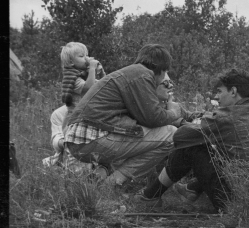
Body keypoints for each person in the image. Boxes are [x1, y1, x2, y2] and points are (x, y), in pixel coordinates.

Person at [135, 69, 249, 211]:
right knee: (219, 150)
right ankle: (191, 189)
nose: (217, 97)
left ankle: (150, 196)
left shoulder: (227, 116)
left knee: (191, 148)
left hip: (233, 201)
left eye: (220, 91)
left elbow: (180, 137)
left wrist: (178, 120)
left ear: (233, 91)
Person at [65, 44, 186, 187]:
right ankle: (113, 183)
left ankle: (99, 178)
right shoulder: (143, 74)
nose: (163, 81)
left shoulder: (130, 73)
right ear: (161, 68)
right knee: (171, 135)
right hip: (91, 138)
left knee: (140, 135)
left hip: (78, 139)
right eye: (165, 75)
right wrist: (173, 112)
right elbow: (153, 118)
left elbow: (143, 119)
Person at [59, 42, 106, 133]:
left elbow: (103, 84)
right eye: (81, 56)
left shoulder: (83, 75)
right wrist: (92, 69)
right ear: (71, 62)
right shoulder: (72, 78)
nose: (86, 58)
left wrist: (101, 72)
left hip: (82, 117)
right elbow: (89, 88)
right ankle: (60, 144)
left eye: (87, 55)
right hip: (74, 120)